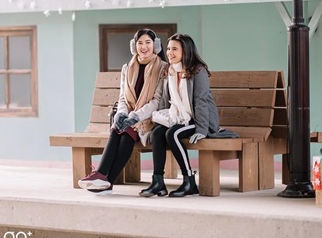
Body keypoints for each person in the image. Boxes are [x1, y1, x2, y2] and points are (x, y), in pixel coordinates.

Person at [78, 29, 168, 195]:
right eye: (140, 43)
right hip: (130, 119)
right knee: (119, 127)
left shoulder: (162, 68)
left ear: (155, 45)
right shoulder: (127, 67)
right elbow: (123, 98)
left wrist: (135, 116)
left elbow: (156, 101)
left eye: (148, 42)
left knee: (126, 130)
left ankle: (102, 176)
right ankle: (106, 182)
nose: (144, 46)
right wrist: (121, 114)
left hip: (149, 120)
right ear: (134, 46)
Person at [140, 33, 223, 198]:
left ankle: (189, 181)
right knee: (158, 133)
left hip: (198, 119)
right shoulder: (170, 70)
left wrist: (201, 129)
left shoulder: (198, 71)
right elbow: (166, 100)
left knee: (173, 133)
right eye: (169, 48)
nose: (170, 52)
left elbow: (201, 101)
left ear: (186, 51)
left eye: (175, 49)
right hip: (178, 117)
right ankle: (158, 182)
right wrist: (159, 121)